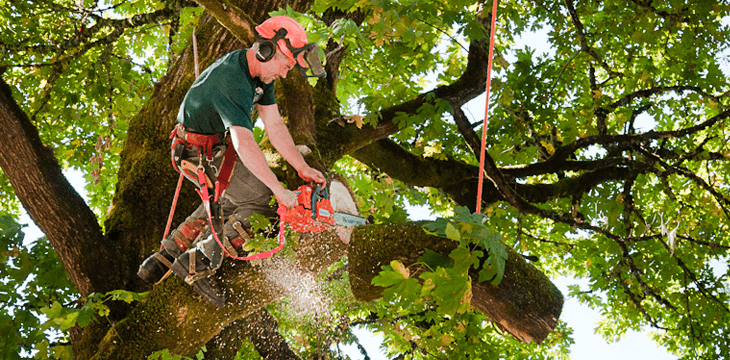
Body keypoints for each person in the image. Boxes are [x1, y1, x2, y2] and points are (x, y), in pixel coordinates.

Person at [137, 16, 326, 307]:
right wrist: (280, 192)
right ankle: (196, 264)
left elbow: (274, 125)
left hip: (211, 148)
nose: (285, 75)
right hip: (197, 152)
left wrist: (301, 166)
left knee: (235, 196)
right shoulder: (233, 81)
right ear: (267, 50)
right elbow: (245, 142)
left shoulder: (259, 76)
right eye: (286, 66)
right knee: (262, 200)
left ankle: (167, 254)